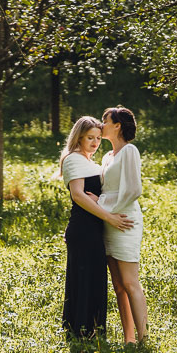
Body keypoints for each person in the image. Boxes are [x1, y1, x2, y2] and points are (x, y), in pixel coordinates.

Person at [58, 116, 134, 339]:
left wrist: (103, 202)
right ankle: (80, 331)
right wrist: (110, 217)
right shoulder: (73, 159)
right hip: (83, 229)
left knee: (95, 278)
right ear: (78, 137)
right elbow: (78, 196)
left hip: (95, 227)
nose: (95, 142)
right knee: (83, 278)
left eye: (98, 138)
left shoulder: (91, 162)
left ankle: (92, 330)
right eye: (89, 138)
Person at [97, 106, 148, 345]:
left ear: (117, 125)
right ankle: (129, 339)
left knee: (130, 282)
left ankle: (144, 338)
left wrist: (113, 213)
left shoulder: (130, 151)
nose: (100, 125)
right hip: (108, 221)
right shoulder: (107, 157)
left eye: (104, 121)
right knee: (118, 285)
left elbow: (134, 189)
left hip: (124, 220)